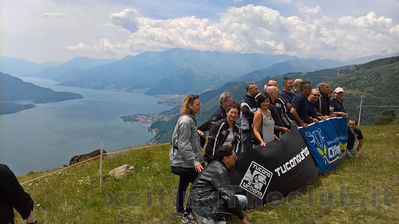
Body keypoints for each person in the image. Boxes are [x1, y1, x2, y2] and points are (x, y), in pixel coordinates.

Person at [190, 145, 251, 224]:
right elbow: (229, 196)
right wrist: (243, 219)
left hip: (202, 199)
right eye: (234, 156)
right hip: (202, 204)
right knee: (230, 204)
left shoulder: (216, 165)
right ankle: (204, 218)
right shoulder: (219, 170)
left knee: (242, 200)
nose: (236, 158)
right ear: (225, 158)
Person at [169, 94, 205, 223]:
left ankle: (179, 210)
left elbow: (187, 138)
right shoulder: (186, 121)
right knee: (201, 185)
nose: (200, 106)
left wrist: (196, 133)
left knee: (183, 184)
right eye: (197, 104)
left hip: (182, 161)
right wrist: (195, 161)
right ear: (190, 106)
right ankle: (187, 214)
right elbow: (183, 144)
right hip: (183, 162)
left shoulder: (189, 119)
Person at [240, 82, 259, 152]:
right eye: (256, 89)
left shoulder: (255, 100)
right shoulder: (244, 103)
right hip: (248, 133)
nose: (258, 90)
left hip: (255, 132)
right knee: (249, 155)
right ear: (249, 89)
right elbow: (249, 116)